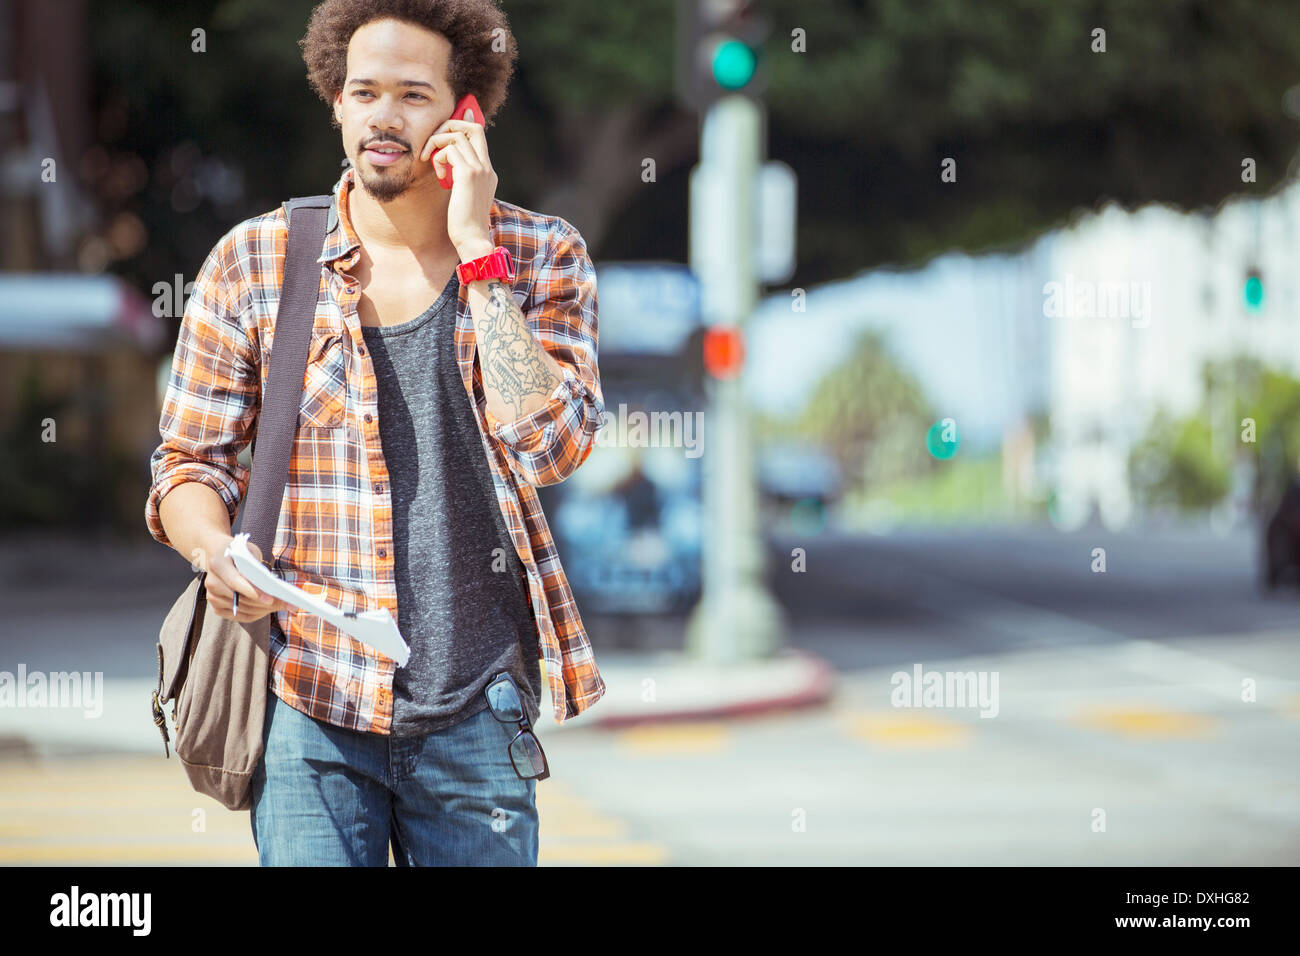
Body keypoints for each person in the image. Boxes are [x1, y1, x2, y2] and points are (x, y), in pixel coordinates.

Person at [144, 0, 607, 866]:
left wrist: (478, 256)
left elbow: (556, 447)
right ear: (335, 99)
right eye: (363, 92)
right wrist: (215, 553)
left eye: (412, 94)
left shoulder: (546, 257)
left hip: (478, 710)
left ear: (465, 115)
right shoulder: (257, 260)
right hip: (309, 702)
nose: (383, 117)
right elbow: (188, 464)